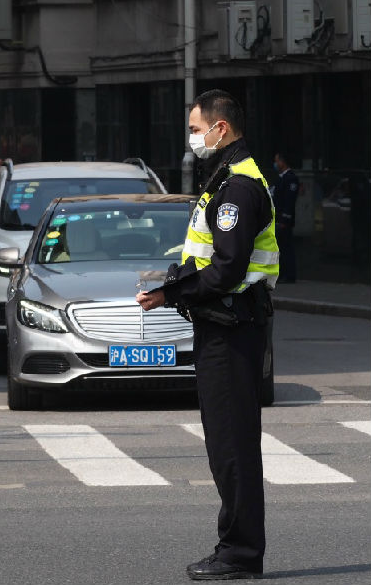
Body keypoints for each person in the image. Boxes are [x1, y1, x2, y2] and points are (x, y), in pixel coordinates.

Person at [136, 89, 278, 581]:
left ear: (221, 128)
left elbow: (226, 269)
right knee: (227, 444)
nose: (193, 139)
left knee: (232, 445)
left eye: (197, 130)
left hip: (232, 327)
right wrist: (177, 281)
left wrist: (172, 292)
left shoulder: (238, 188)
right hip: (224, 325)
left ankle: (239, 553)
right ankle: (236, 547)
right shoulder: (226, 179)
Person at [270, 152, 299, 283]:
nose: (276, 164)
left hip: (283, 220)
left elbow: (289, 201)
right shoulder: (280, 178)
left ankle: (289, 275)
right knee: (280, 248)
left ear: (283, 162)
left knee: (286, 248)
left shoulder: (290, 178)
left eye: (277, 161)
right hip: (277, 218)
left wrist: (284, 220)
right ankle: (282, 274)